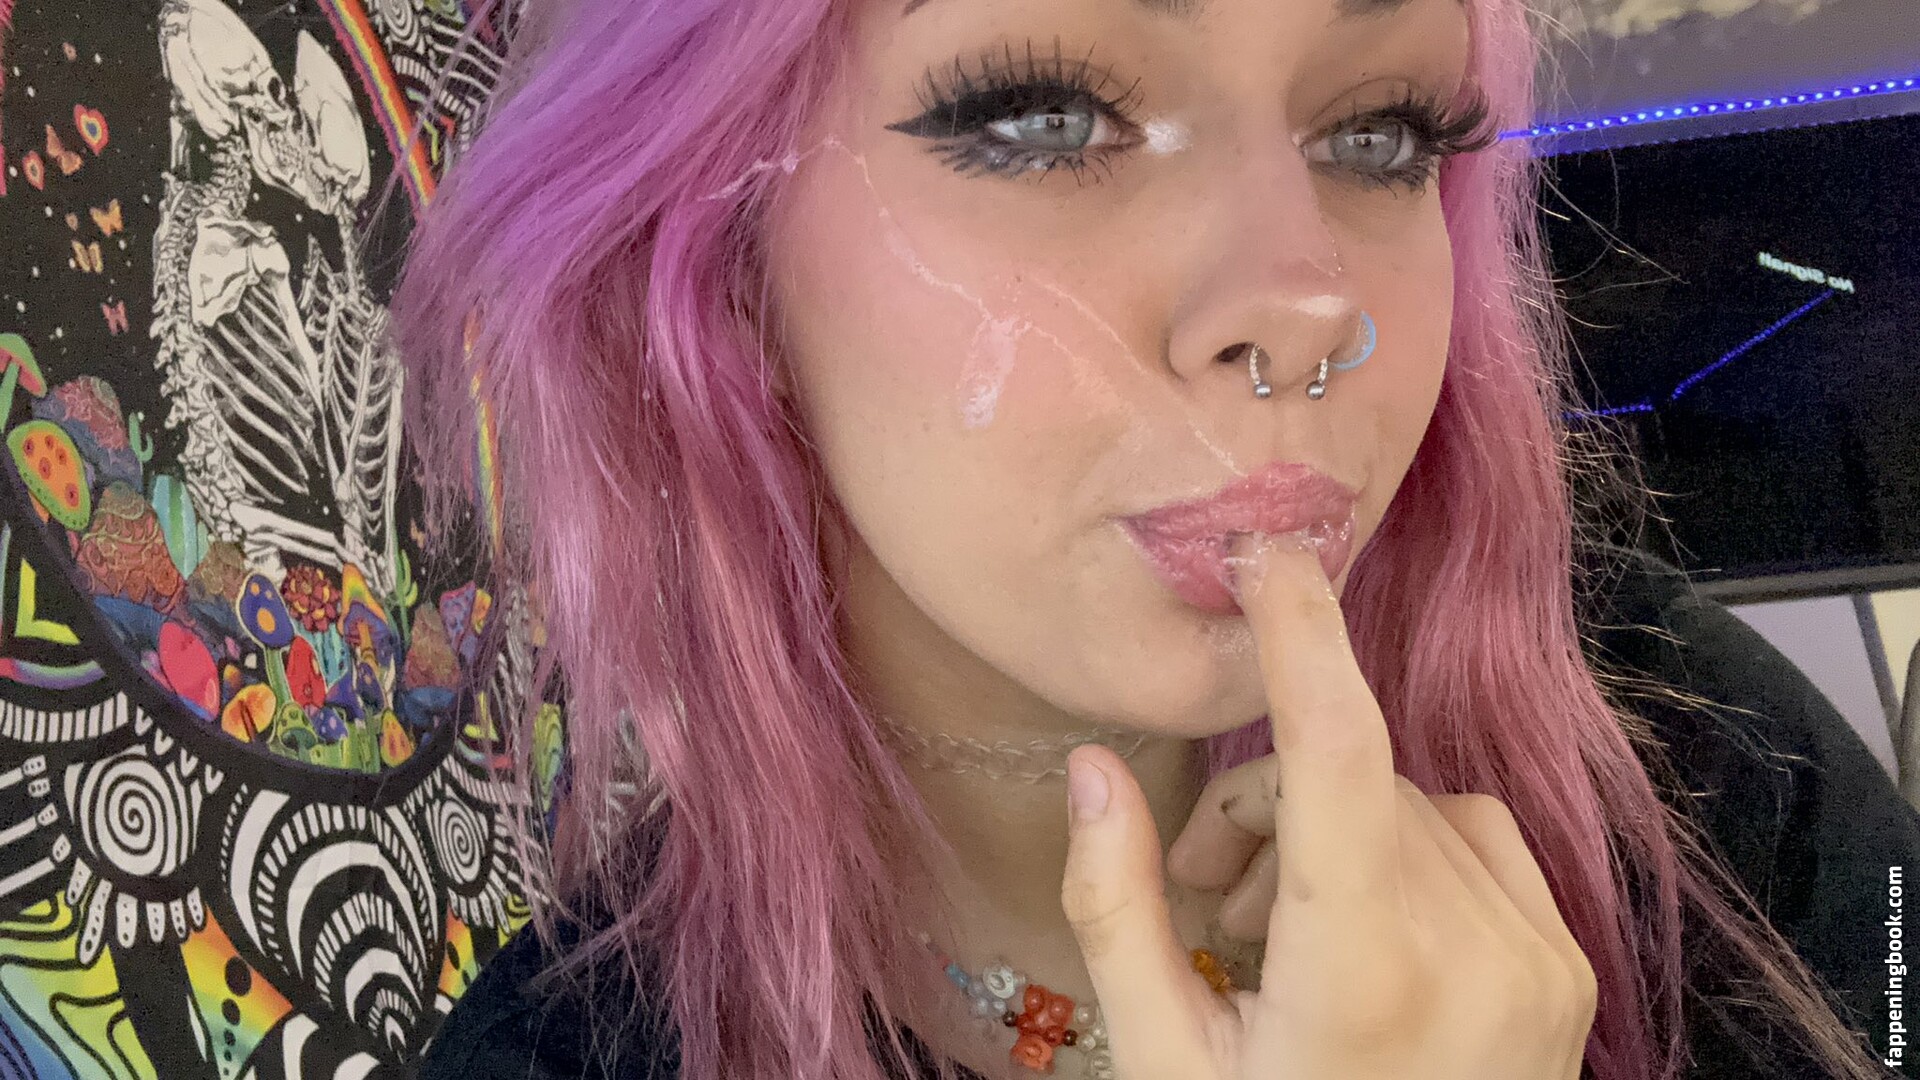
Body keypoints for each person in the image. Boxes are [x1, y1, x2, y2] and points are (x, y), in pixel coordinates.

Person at [385, 0, 1920, 1075]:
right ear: (722, 268)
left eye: (1381, 131)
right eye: (1046, 115)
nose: (1311, 304)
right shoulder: (560, 1054)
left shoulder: (1682, 758)